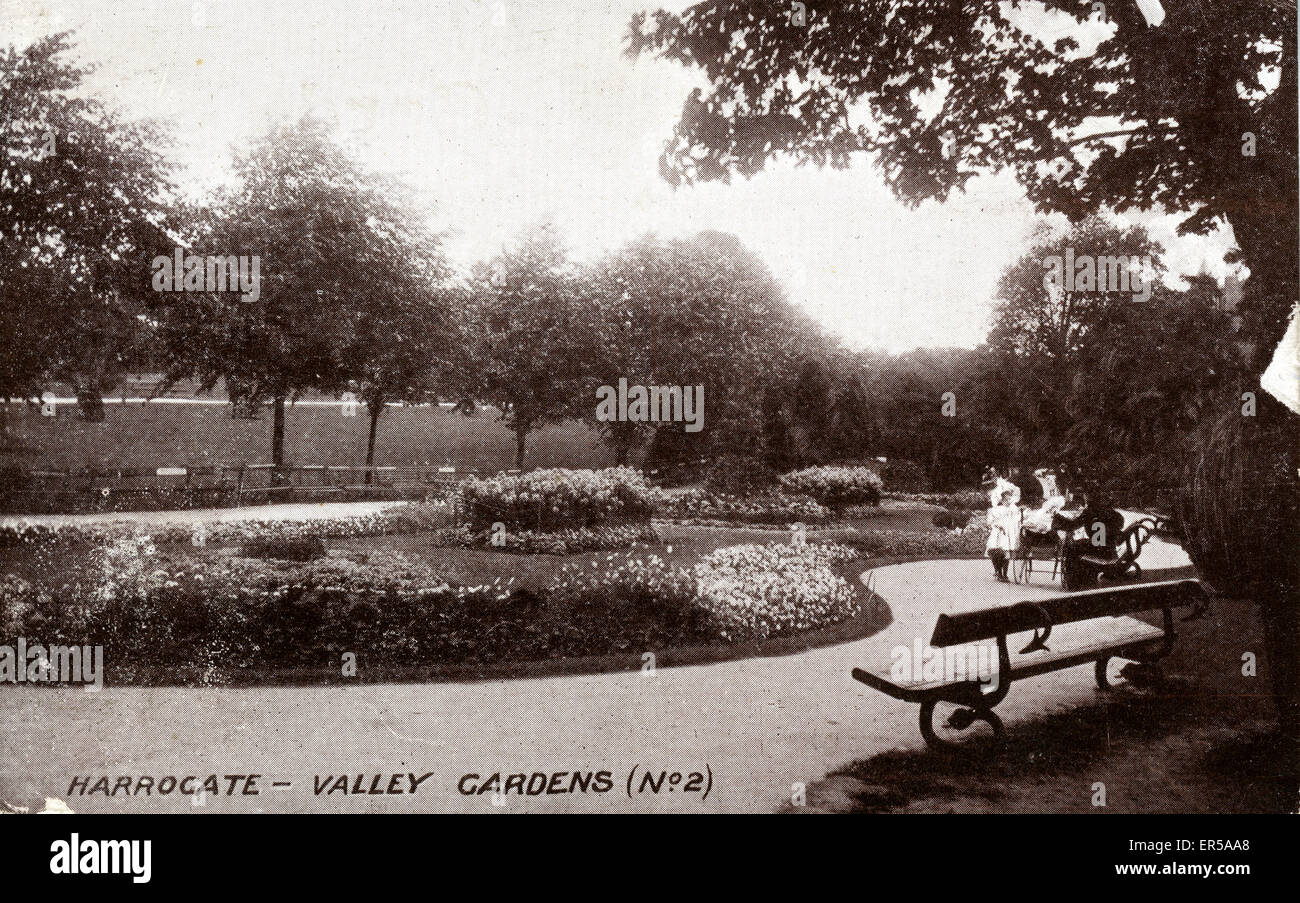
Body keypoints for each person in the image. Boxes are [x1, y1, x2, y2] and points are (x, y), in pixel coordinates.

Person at [1052, 487, 1126, 589]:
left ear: (1090, 499)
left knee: (1071, 547)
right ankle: (1079, 579)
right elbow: (1119, 524)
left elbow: (1073, 525)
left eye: (1086, 497)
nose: (1085, 499)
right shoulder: (1111, 512)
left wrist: (1059, 519)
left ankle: (1074, 582)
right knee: (1079, 544)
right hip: (1109, 549)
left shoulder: (1090, 512)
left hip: (1099, 550)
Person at [985, 488, 1020, 582]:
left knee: (1006, 553)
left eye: (1010, 499)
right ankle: (999, 572)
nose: (1009, 501)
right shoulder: (997, 510)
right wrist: (997, 525)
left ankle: (1005, 574)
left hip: (1009, 534)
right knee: (997, 552)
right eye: (1007, 499)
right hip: (998, 533)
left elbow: (1017, 518)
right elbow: (990, 522)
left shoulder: (1013, 509)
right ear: (1003, 500)